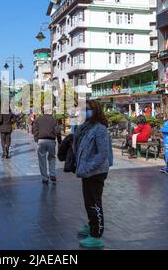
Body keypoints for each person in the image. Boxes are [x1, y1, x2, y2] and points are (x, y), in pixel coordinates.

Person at [74, 100, 112, 249]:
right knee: (88, 202)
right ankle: (91, 225)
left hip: (95, 172)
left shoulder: (99, 129)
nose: (84, 112)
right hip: (87, 171)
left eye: (87, 110)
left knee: (94, 203)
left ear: (95, 111)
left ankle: (96, 235)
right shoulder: (86, 127)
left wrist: (88, 167)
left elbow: (102, 154)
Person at [32, 107, 62, 184]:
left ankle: (44, 177)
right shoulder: (54, 120)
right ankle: (52, 174)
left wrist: (36, 139)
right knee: (52, 158)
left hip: (41, 141)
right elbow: (58, 131)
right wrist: (59, 142)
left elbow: (35, 130)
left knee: (42, 159)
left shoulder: (37, 120)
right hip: (51, 141)